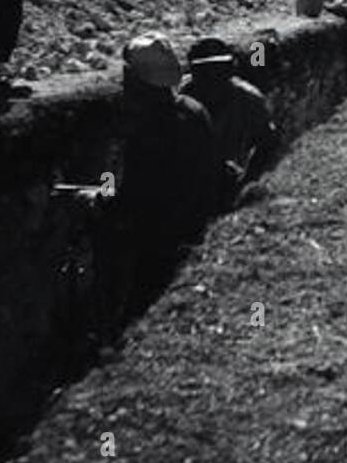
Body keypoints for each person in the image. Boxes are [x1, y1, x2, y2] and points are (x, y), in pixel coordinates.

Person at [114, 32, 223, 311]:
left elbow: (137, 193)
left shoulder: (146, 127)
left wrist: (103, 198)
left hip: (158, 234)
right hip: (193, 224)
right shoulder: (194, 111)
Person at [179, 36, 279, 204]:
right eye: (204, 71)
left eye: (218, 70)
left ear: (229, 70)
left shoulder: (249, 99)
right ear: (194, 73)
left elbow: (267, 141)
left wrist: (247, 181)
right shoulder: (180, 98)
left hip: (228, 179)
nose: (211, 78)